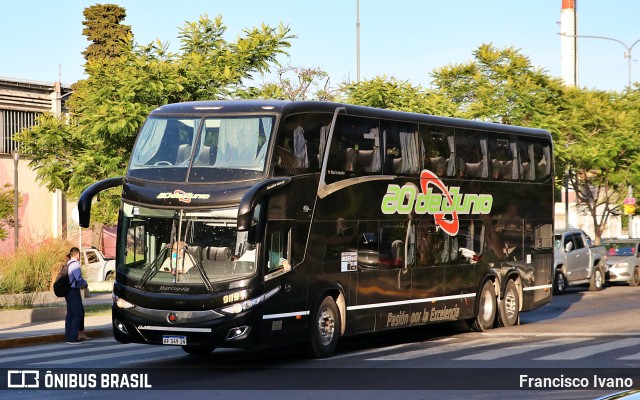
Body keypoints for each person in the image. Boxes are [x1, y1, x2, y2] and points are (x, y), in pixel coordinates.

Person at [65, 247, 91, 344]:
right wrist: (85, 284)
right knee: (78, 314)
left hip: (68, 292)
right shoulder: (75, 264)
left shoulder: (68, 263)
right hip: (73, 292)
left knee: (70, 315)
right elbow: (78, 278)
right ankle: (73, 337)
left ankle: (68, 337)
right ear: (78, 254)